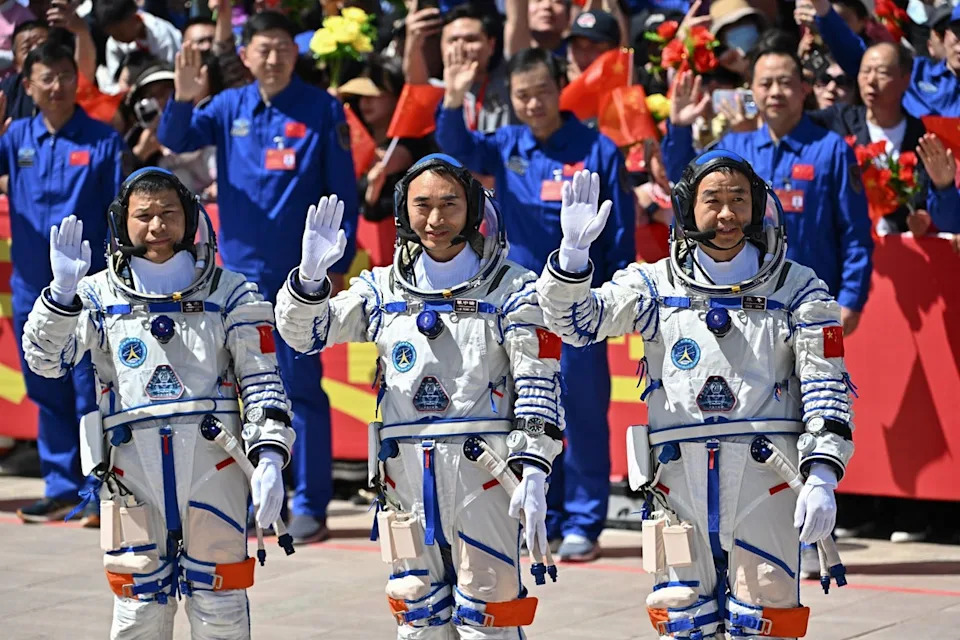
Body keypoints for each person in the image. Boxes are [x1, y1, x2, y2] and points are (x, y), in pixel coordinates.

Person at [536, 160, 855, 639]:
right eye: (713, 201)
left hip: (767, 484)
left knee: (765, 623)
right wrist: (574, 256)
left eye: (738, 201)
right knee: (682, 621)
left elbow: (825, 385)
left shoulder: (798, 289)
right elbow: (576, 323)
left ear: (758, 206)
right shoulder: (654, 286)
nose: (727, 215)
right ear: (687, 207)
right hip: (677, 490)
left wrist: (823, 475)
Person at [274, 154, 563, 636]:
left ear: (473, 209)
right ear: (402, 211)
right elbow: (306, 334)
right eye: (422, 205)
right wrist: (308, 280)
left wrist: (533, 466)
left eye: (450, 204)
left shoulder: (513, 289)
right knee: (418, 617)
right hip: (404, 480)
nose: (435, 219)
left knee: (489, 618)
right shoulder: (381, 289)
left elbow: (538, 383)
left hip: (485, 479)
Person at [21, 167, 295, 639]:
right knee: (138, 604)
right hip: (132, 472)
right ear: (121, 222)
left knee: (220, 601)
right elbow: (46, 361)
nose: (156, 226)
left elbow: (262, 379)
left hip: (216, 467)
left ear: (189, 217)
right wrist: (61, 296)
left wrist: (269, 453)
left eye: (168, 213)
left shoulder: (231, 292)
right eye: (143, 215)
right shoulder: (97, 295)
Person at [157, 10, 358, 544]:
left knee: (302, 388)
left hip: (299, 278)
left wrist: (334, 265)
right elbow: (175, 140)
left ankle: (310, 503)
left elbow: (344, 191)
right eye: (262, 49)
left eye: (282, 49)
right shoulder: (227, 107)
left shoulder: (321, 109)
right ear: (244, 56)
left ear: (296, 54)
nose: (272, 58)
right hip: (239, 280)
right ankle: (258, 496)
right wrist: (181, 96)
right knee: (249, 389)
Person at [436, 47, 636, 561]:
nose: (534, 103)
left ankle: (584, 521)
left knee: (583, 411)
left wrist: (605, 300)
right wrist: (455, 96)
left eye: (543, 92)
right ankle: (537, 515)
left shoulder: (598, 148)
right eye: (523, 96)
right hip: (519, 304)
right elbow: (455, 152)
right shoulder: (507, 144)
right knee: (526, 410)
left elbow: (621, 234)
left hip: (578, 301)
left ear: (559, 90)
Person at [663, 45, 873, 336]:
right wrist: (679, 128)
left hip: (810, 308)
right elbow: (686, 189)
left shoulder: (832, 150)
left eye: (785, 83)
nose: (775, 92)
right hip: (741, 311)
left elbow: (855, 234)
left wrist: (851, 300)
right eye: (765, 83)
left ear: (804, 88)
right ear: (752, 91)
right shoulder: (734, 148)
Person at [0, 41, 126, 524]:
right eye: (45, 78)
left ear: (78, 80)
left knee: (87, 388)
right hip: (31, 284)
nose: (56, 87)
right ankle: (59, 485)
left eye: (64, 76)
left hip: (89, 289)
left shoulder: (102, 140)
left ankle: (99, 488)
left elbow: (119, 212)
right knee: (44, 384)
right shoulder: (15, 141)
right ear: (27, 87)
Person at [807, 42, 960, 235]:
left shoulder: (922, 138)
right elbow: (791, 121)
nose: (871, 80)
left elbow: (950, 222)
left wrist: (942, 188)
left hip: (898, 255)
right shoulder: (838, 120)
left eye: (882, 73)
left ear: (905, 79)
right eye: (865, 71)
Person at [96, 0, 183, 94]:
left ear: (135, 18)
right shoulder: (114, 44)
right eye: (113, 35)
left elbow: (171, 72)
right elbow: (113, 81)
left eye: (120, 33)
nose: (117, 38)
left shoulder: (162, 36)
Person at [0, 19, 49, 120]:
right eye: (27, 48)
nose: (36, 51)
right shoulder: (6, 90)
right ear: (16, 64)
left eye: (42, 45)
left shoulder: (71, 82)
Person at [566, 10, 620, 82]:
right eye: (577, 46)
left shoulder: (630, 88)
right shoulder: (553, 83)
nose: (584, 55)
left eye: (594, 47)